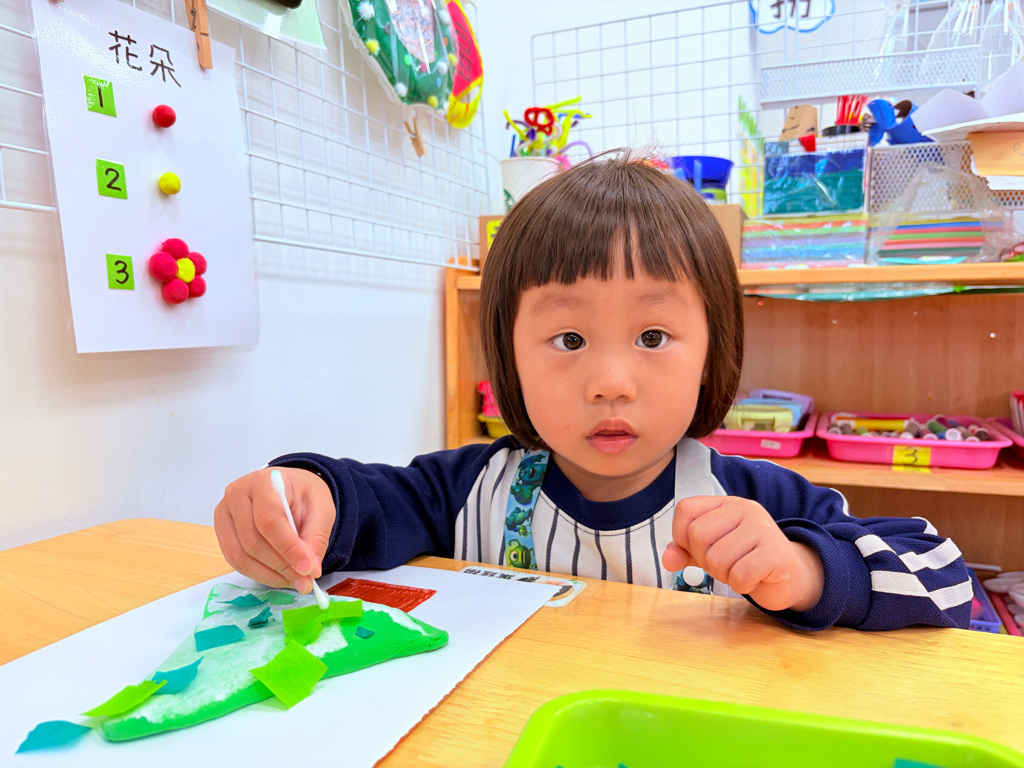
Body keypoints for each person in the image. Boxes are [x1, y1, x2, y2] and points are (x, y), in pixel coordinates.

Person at [214, 152, 971, 631]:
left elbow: (947, 580)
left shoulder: (756, 501)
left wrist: (805, 571)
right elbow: (366, 505)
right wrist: (304, 495)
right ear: (509, 359)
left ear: (712, 354)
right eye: (569, 340)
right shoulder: (467, 492)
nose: (610, 383)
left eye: (653, 337)